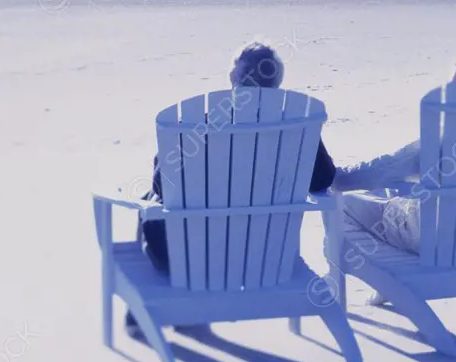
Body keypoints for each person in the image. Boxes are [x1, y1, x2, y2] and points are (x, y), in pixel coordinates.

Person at [127, 42, 336, 337]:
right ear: (276, 81)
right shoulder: (297, 127)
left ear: (239, 76)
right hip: (268, 258)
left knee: (150, 200)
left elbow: (162, 183)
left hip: (191, 260)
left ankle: (143, 310)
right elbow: (323, 180)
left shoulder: (202, 123)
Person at [333, 47, 456, 255]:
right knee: (397, 193)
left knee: (344, 204)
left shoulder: (448, 141)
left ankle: (380, 278)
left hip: (433, 240)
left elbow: (385, 169)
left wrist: (336, 178)